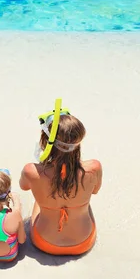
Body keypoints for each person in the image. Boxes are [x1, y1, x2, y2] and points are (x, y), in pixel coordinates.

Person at [20, 108, 103, 255]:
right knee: (83, 197)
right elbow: (95, 190)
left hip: (44, 242)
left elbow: (24, 186)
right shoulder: (93, 168)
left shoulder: (31, 171)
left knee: (40, 195)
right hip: (83, 242)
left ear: (45, 141)